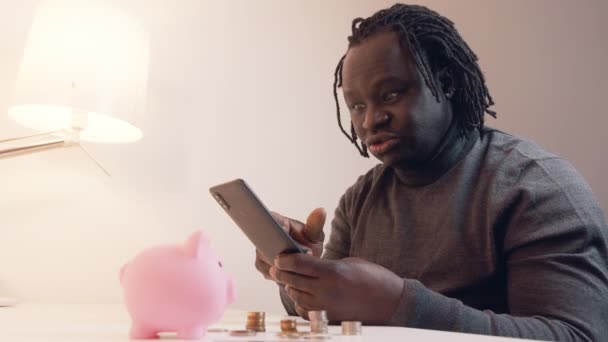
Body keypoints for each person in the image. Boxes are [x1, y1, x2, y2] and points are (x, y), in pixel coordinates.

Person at [254, 3, 608, 340]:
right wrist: (297, 274)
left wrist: (398, 304)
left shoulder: (534, 188)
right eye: (357, 105)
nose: (370, 119)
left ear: (446, 83)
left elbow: (576, 334)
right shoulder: (361, 199)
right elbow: (333, 311)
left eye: (390, 95)